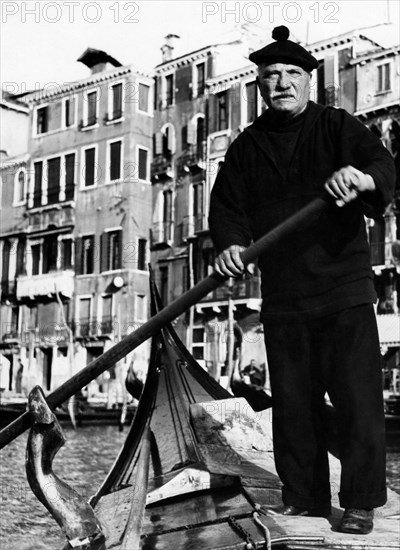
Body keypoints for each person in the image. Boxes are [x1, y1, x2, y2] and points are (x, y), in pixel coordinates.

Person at [209, 25, 396, 535]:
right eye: (271, 76)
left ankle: (359, 502)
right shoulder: (246, 148)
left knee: (358, 400)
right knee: (293, 405)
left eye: (292, 74)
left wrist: (360, 178)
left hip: (343, 287)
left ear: (308, 82)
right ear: (260, 87)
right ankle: (304, 497)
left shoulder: (337, 127)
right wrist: (229, 244)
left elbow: (382, 164)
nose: (282, 83)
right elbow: (226, 209)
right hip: (285, 294)